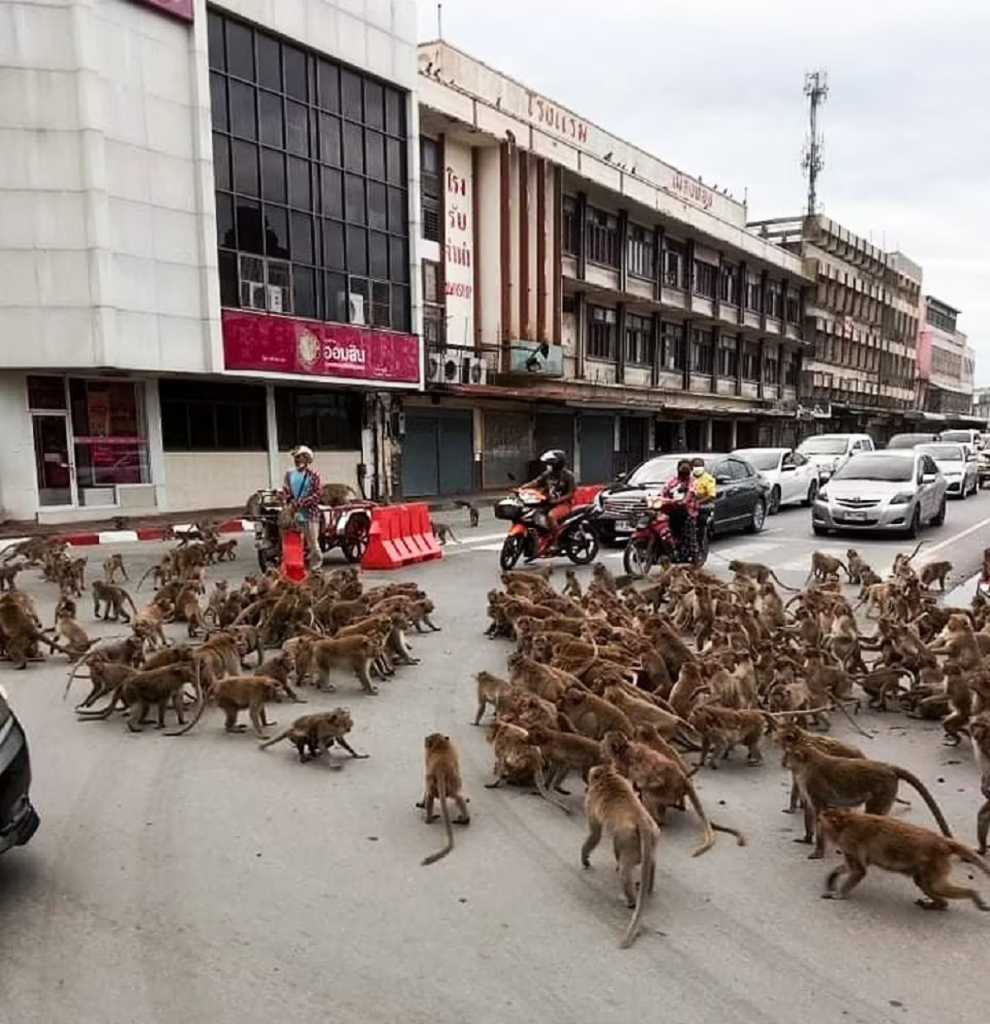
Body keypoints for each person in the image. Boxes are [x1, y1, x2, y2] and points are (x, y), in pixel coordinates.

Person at [522, 449, 576, 551]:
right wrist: (523, 487)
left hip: (564, 505)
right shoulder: (548, 473)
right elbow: (536, 482)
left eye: (551, 463)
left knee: (551, 516)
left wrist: (557, 500)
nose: (549, 465)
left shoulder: (568, 476)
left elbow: (571, 493)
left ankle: (556, 542)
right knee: (531, 514)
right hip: (548, 503)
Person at [282, 445, 323, 571]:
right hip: (294, 513)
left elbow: (318, 494)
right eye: (296, 457)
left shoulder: (313, 475)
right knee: (293, 541)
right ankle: (295, 565)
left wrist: (303, 502)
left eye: (300, 457)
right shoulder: (289, 474)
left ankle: (316, 568)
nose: (297, 459)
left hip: (310, 514)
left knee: (312, 543)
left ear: (307, 459)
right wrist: (289, 500)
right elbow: (286, 491)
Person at [659, 459, 700, 562]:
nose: (684, 471)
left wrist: (684, 501)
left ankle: (694, 557)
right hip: (671, 509)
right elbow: (664, 491)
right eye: (682, 469)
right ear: (677, 469)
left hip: (687, 511)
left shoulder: (692, 482)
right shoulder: (672, 481)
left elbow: (690, 493)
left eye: (686, 469)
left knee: (688, 533)